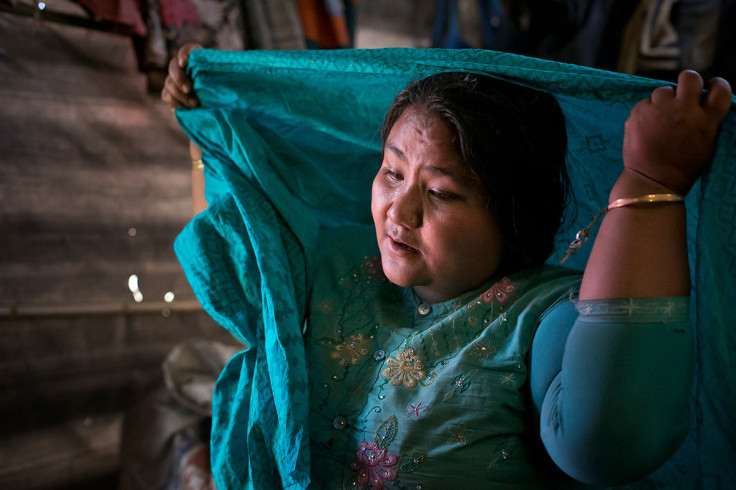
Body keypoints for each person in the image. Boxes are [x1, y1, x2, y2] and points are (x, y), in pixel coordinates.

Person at [162, 45, 732, 488]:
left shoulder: (541, 320)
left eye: (439, 192)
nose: (399, 209)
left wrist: (652, 186)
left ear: (512, 214)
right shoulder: (337, 263)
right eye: (391, 172)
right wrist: (206, 111)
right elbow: (238, 245)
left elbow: (606, 441)